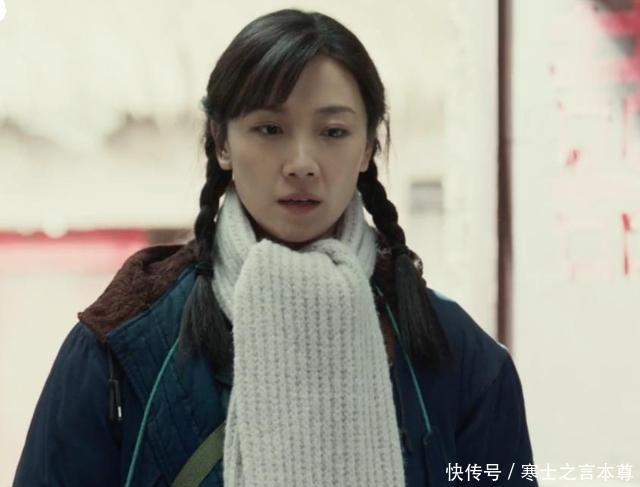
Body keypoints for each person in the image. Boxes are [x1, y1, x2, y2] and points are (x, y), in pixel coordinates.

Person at [13, 8, 537, 487]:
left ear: (368, 148)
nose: (302, 162)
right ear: (222, 142)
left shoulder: (459, 356)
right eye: (269, 129)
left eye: (333, 131)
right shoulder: (121, 346)